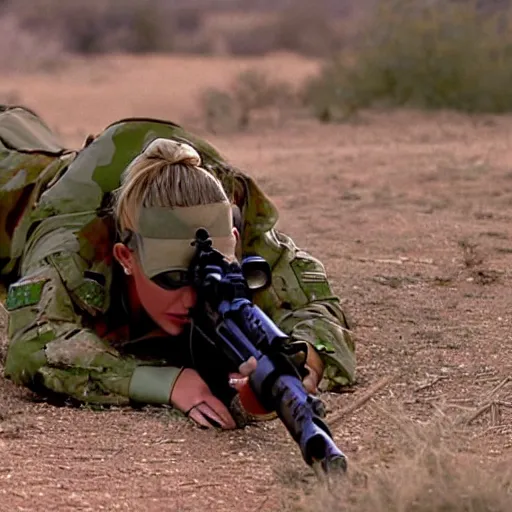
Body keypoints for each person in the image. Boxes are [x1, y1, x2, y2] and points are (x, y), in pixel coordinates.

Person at [0, 105, 356, 429]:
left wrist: (303, 363)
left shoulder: (225, 208)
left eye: (201, 280)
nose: (190, 299)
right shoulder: (74, 241)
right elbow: (32, 345)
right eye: (171, 279)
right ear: (126, 257)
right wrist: (165, 382)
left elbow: (314, 303)